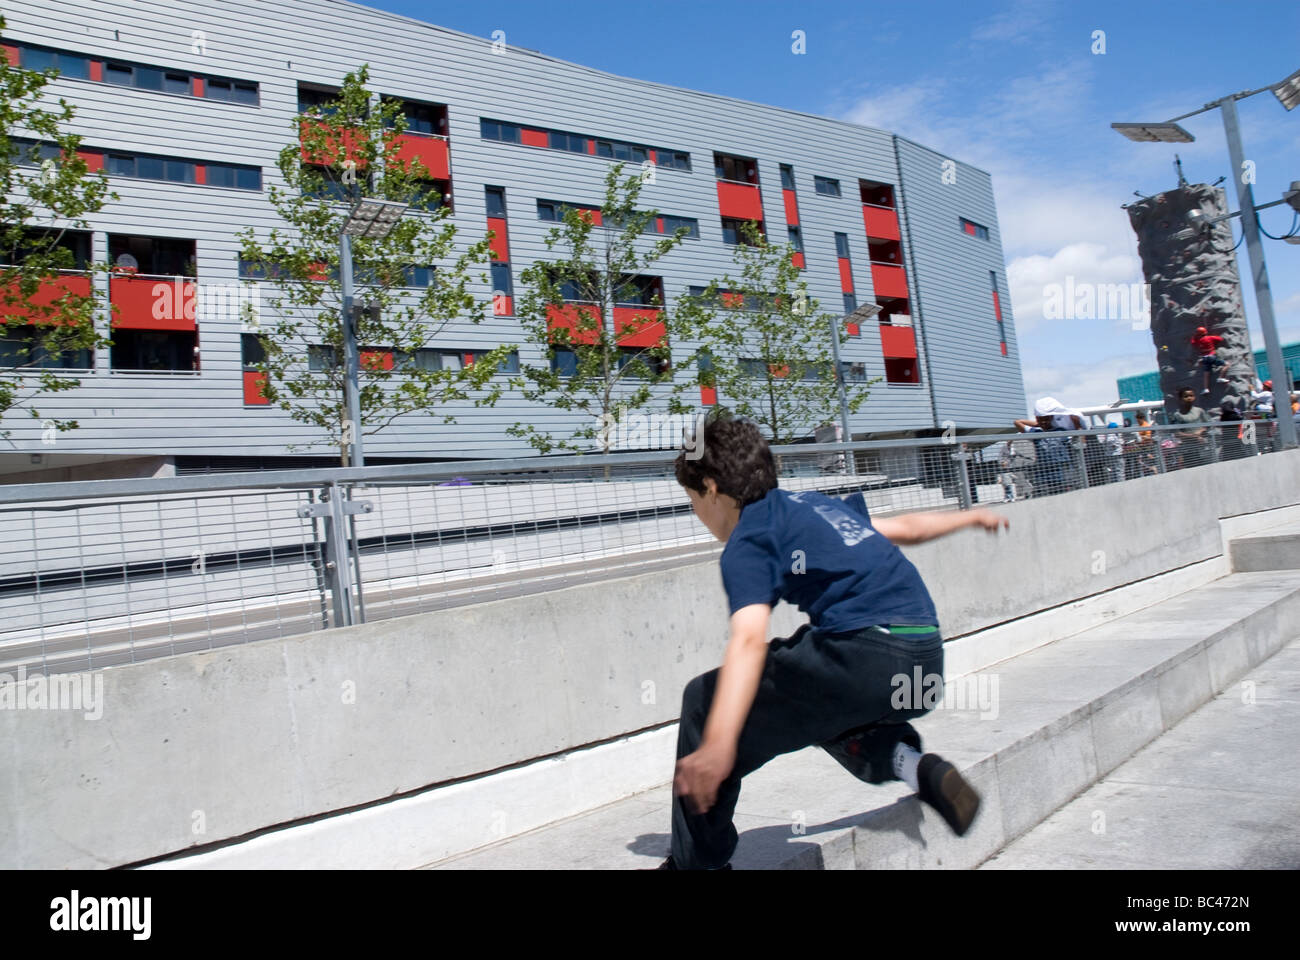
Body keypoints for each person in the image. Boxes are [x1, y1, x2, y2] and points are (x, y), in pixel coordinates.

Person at [658, 415, 1009, 870]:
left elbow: (747, 640)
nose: (699, 517)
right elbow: (906, 529)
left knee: (704, 701)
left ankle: (696, 864)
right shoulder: (817, 506)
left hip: (863, 653)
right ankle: (908, 763)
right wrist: (971, 517)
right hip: (923, 656)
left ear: (710, 487)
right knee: (810, 686)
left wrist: (719, 744)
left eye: (693, 501)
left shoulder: (749, 540)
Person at [1013, 397, 1083, 496]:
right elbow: (1017, 422)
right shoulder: (1036, 433)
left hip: (1064, 475)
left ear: (1051, 418)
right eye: (1040, 419)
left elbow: (1080, 438)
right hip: (1044, 477)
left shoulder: (1062, 431)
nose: (1043, 422)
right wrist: (1039, 423)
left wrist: (1045, 421)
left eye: (1046, 419)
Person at [1170, 387, 1212, 468]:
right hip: (1188, 450)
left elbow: (1209, 425)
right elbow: (1176, 433)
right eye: (1186, 396)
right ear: (1180, 399)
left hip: (1203, 447)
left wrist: (1202, 431)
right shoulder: (1177, 415)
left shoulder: (1200, 411)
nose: (1189, 398)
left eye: (1191, 395)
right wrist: (1194, 436)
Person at [1189, 325, 1228, 395]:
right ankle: (1220, 377)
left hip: (1204, 358)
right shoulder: (1210, 338)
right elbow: (1220, 339)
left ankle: (1206, 388)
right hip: (1211, 357)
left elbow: (1193, 342)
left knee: (1206, 374)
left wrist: (1194, 336)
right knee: (1226, 364)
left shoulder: (1198, 341)